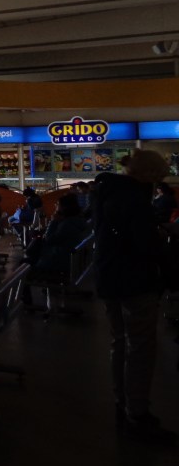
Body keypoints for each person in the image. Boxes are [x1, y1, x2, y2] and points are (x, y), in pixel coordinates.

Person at [91, 149, 175, 443]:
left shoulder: (107, 192)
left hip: (108, 276)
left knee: (120, 342)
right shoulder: (135, 200)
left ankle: (123, 403)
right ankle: (138, 413)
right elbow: (145, 245)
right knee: (141, 348)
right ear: (150, 176)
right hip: (135, 280)